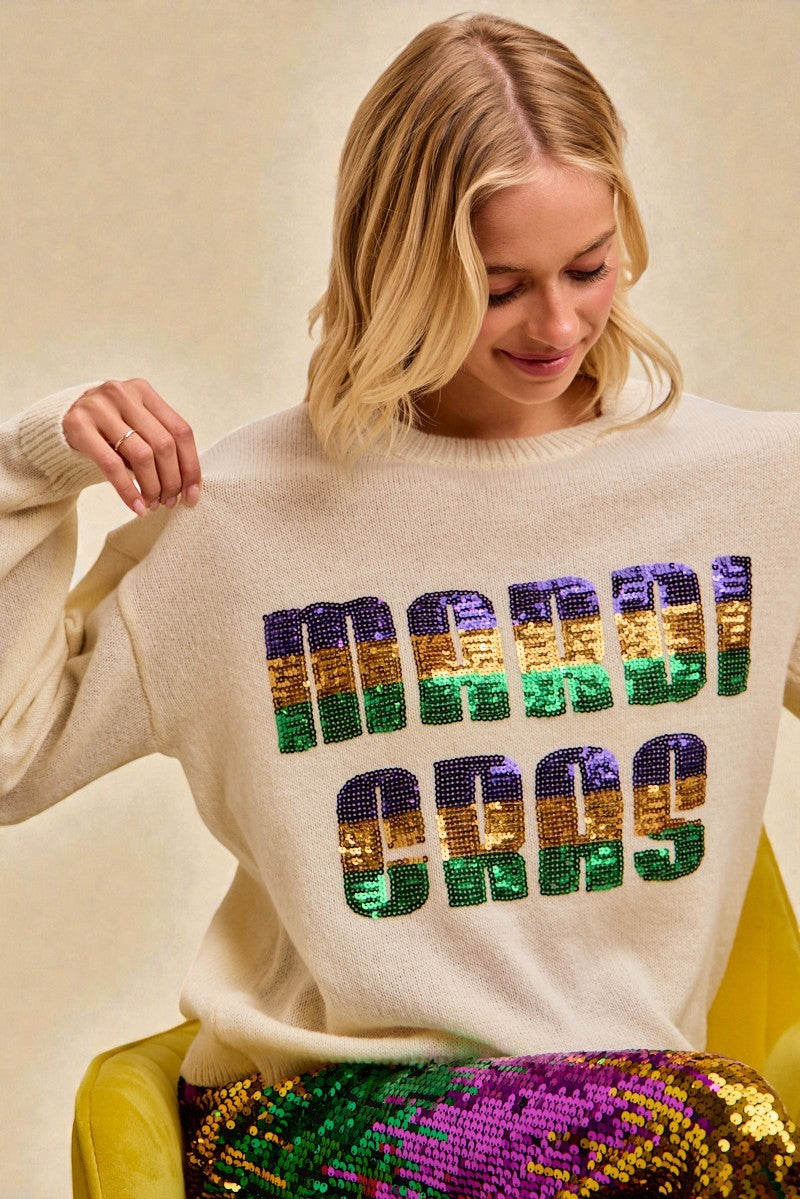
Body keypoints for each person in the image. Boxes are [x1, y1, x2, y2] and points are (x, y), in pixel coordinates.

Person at [2, 10, 800, 1197]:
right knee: (703, 1129)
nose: (560, 324)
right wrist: (31, 463)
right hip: (311, 1119)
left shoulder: (750, 487)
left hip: (634, 1119)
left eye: (589, 265)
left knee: (675, 1129)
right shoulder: (240, 523)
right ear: (399, 265)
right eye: (500, 286)